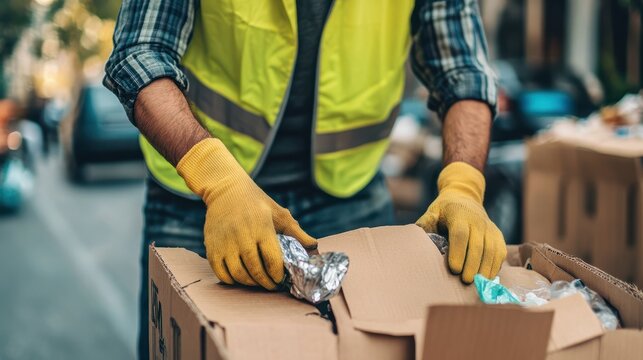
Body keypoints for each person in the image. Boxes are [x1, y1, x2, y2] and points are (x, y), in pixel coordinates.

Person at [105, 0, 507, 358]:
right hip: (201, 199)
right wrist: (219, 179)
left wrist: (463, 186)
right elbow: (140, 52)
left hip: (348, 193)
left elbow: (463, 69)